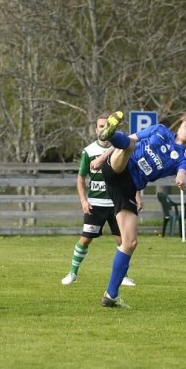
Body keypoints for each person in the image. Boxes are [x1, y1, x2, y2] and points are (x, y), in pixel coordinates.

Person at [96, 110, 186, 308]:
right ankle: (110, 134)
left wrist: (181, 179)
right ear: (179, 126)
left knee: (130, 242)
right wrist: (102, 157)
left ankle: (111, 295)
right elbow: (130, 138)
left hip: (128, 187)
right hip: (119, 167)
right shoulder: (159, 130)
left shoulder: (183, 157)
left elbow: (183, 171)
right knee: (130, 144)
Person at [62, 114, 138, 287]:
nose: (104, 129)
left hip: (117, 204)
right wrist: (83, 200)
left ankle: (123, 276)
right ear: (96, 129)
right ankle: (73, 273)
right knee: (86, 239)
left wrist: (137, 196)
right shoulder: (89, 151)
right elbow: (81, 178)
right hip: (96, 204)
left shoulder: (121, 149)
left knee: (123, 240)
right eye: (101, 126)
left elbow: (131, 175)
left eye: (107, 126)